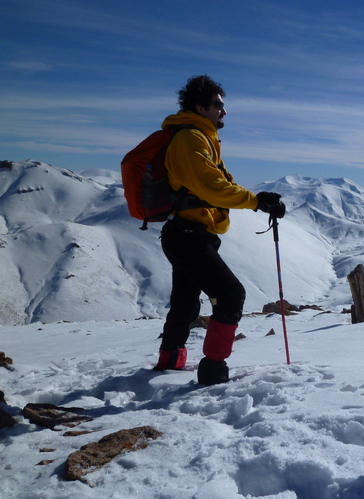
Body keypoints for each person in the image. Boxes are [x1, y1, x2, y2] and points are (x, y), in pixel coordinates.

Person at [153, 75, 285, 385]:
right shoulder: (190, 139)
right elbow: (213, 188)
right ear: (200, 106)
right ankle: (213, 369)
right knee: (231, 294)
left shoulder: (202, 137)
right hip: (187, 235)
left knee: (186, 302)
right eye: (218, 105)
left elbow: (218, 184)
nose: (223, 111)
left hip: (192, 233)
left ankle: (170, 359)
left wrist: (258, 200)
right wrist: (257, 201)